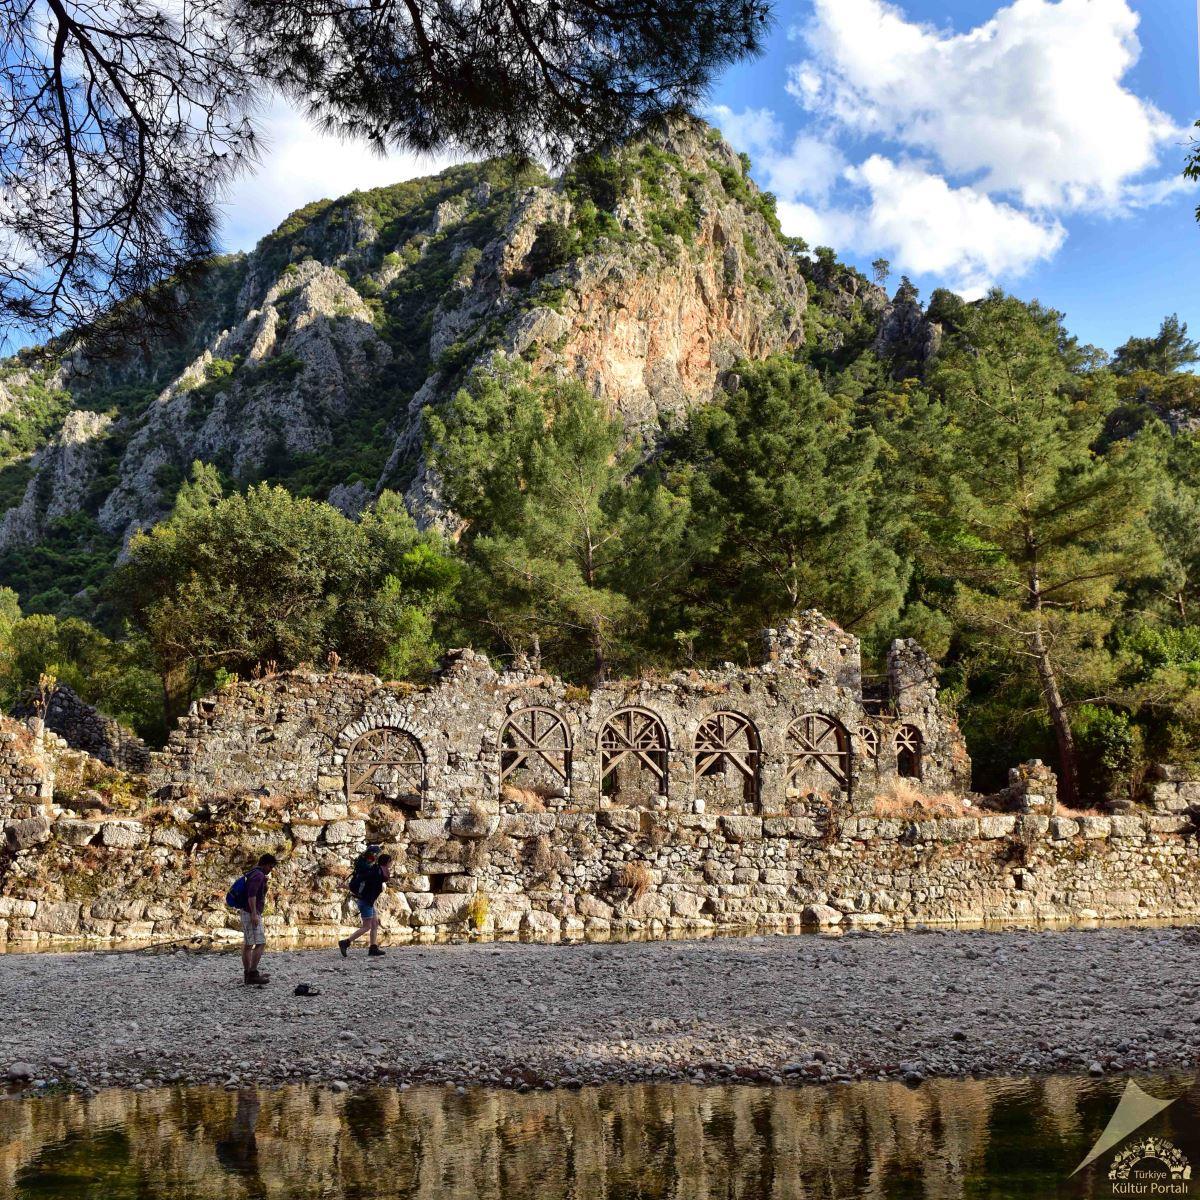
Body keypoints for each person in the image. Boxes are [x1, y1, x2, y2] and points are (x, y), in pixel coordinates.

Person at [339, 850, 391, 958]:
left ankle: (373, 948)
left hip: (368, 902)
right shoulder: (376, 873)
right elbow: (363, 886)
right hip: (366, 902)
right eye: (390, 863)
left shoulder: (377, 871)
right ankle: (345, 942)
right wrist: (347, 887)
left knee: (375, 924)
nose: (391, 865)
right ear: (387, 862)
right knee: (367, 926)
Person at [238, 853, 277, 985]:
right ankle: (252, 973)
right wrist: (254, 913)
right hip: (250, 913)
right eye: (270, 867)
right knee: (260, 943)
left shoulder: (252, 873)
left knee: (248, 944)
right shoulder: (258, 875)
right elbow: (252, 895)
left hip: (246, 912)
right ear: (265, 864)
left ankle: (248, 973)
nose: (271, 870)